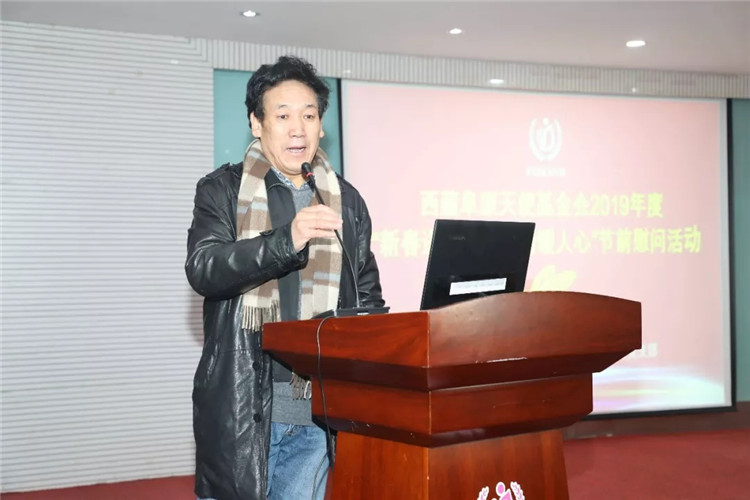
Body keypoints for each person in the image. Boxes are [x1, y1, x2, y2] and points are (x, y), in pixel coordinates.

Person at [185, 55, 385, 500]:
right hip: (246, 406)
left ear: (321, 126)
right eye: (283, 116)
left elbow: (366, 296)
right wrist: (287, 239)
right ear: (256, 123)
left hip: (318, 410)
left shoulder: (345, 200)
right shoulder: (222, 191)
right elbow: (205, 268)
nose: (298, 129)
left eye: (309, 116)